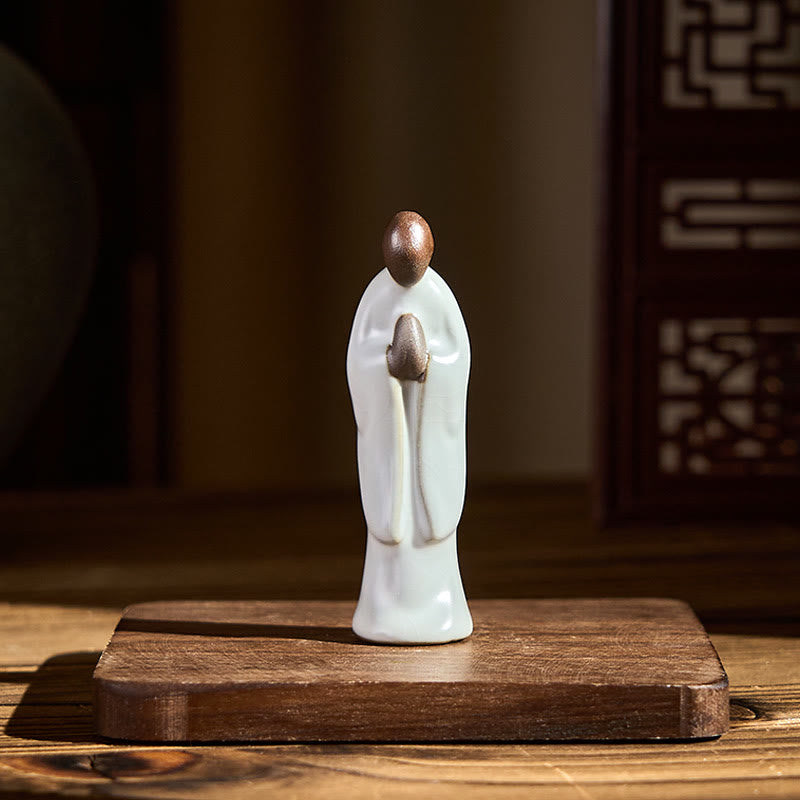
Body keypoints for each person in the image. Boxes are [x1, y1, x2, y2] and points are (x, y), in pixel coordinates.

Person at [346, 210, 473, 644]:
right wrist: (385, 364)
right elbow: (357, 360)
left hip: (425, 428)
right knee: (393, 520)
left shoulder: (439, 295)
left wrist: (428, 364)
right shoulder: (375, 296)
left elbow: (459, 358)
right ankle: (383, 609)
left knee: (425, 519)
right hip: (393, 434)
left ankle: (441, 607)